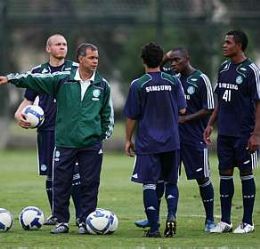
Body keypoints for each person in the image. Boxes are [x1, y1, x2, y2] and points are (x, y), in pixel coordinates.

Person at [0, 43, 114, 234]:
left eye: (97, 58)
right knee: (61, 182)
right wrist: (11, 78)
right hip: (65, 142)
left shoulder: (103, 85)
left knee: (90, 183)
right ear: (81, 59)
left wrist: (99, 136)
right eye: (91, 58)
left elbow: (107, 115)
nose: (95, 61)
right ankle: (61, 221)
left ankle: (85, 221)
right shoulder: (62, 79)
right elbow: (34, 79)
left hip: (91, 145)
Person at [135, 47, 216, 232]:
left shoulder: (201, 79)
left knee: (202, 178)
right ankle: (152, 218)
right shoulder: (173, 78)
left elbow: (209, 108)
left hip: (194, 137)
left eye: (177, 60)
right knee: (163, 179)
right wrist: (166, 56)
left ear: (187, 58)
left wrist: (185, 119)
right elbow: (153, 71)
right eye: (172, 61)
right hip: (173, 138)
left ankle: (210, 219)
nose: (173, 64)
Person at [14, 34, 81, 226]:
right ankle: (56, 214)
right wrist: (19, 115)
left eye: (65, 44)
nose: (62, 47)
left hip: (70, 131)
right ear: (48, 48)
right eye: (58, 44)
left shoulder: (76, 69)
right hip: (47, 130)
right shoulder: (38, 72)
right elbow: (28, 100)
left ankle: (80, 215)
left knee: (74, 173)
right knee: (52, 175)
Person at [124, 42, 186, 238]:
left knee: (149, 184)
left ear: (143, 60)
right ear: (161, 60)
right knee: (171, 182)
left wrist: (128, 139)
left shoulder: (138, 84)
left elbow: (132, 116)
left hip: (148, 142)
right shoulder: (174, 82)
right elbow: (183, 109)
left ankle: (154, 228)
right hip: (172, 140)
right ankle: (172, 215)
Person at [203, 30, 260, 233]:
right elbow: (221, 100)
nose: (224, 45)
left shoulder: (251, 70)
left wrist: (256, 134)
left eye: (228, 42)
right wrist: (210, 123)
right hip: (225, 133)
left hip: (244, 133)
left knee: (245, 174)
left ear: (239, 46)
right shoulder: (224, 67)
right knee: (225, 174)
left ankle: (247, 222)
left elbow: (258, 103)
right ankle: (225, 221)